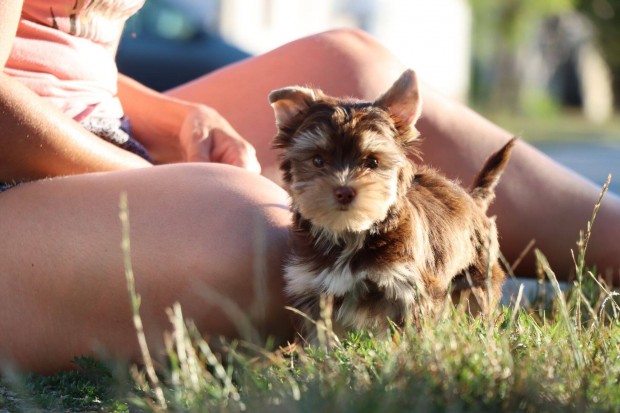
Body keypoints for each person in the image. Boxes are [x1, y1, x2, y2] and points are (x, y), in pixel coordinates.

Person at [1, 0, 618, 373]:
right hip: (14, 176)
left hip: (93, 122)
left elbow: (52, 50)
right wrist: (148, 179)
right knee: (276, 248)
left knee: (357, 74)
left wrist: (178, 120)